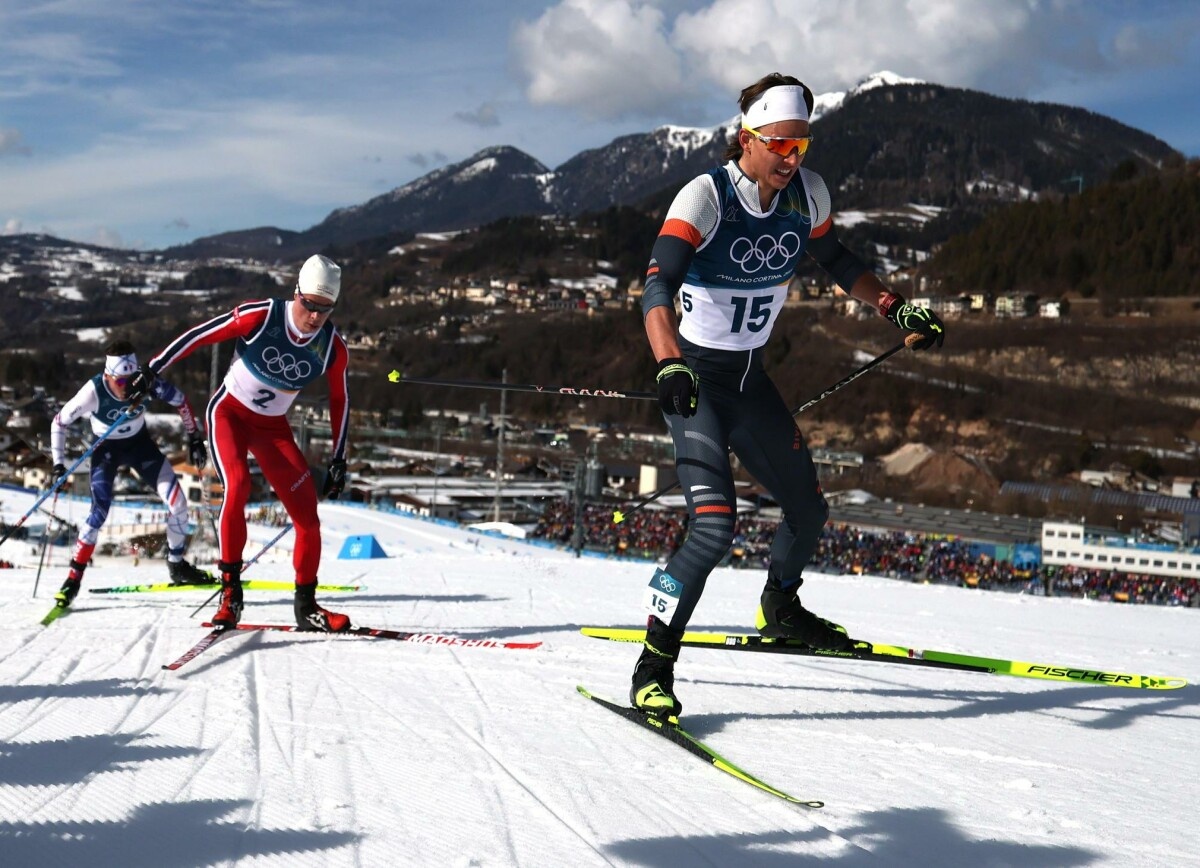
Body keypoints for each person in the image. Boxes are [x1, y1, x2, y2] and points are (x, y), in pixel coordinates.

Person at [630, 73, 946, 719]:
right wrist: (668, 364)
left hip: (749, 380)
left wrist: (895, 307)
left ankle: (781, 605)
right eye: (780, 144)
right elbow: (656, 288)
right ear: (747, 138)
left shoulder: (808, 193)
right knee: (714, 526)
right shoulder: (706, 197)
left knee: (809, 511)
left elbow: (836, 259)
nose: (792, 157)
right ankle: (653, 663)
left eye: (802, 144)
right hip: (695, 381)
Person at [127, 254, 352, 632]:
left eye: (324, 309)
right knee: (238, 486)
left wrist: (338, 458)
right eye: (309, 304)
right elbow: (201, 334)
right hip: (228, 415)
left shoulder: (332, 348)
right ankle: (231, 595)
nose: (314, 316)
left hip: (272, 429)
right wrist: (153, 369)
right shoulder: (262, 315)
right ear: (296, 293)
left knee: (307, 517)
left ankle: (306, 606)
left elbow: (340, 399)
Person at [50, 339, 211, 610]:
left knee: (179, 504)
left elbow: (181, 401)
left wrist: (194, 436)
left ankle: (177, 565)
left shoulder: (144, 381)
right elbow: (59, 422)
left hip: (140, 446)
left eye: (132, 380)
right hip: (107, 450)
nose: (129, 387)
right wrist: (57, 464)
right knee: (99, 512)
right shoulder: (93, 392)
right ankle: (73, 579)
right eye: (121, 382)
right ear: (108, 376)